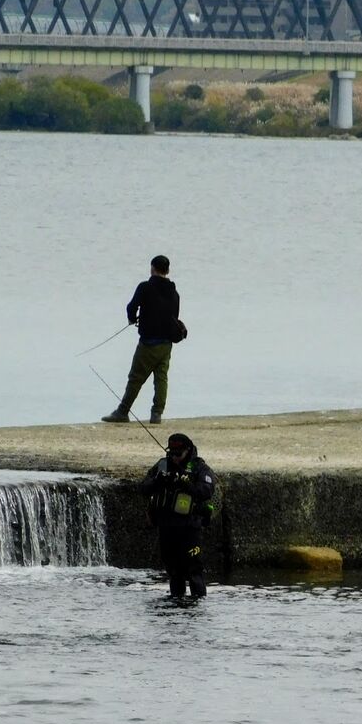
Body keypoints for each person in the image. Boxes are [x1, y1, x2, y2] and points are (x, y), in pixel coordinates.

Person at [102, 255, 181, 425]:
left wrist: (132, 318)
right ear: (167, 271)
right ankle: (156, 414)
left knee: (136, 378)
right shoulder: (174, 293)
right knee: (161, 378)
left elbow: (131, 307)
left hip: (148, 343)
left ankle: (122, 412)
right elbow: (174, 317)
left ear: (152, 268)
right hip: (166, 344)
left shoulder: (145, 287)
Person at [141, 432, 217, 597]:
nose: (174, 458)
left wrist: (187, 484)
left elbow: (207, 490)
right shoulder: (162, 466)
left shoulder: (199, 468)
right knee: (174, 572)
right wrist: (157, 481)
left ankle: (196, 603)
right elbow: (143, 487)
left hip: (190, 528)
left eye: (178, 454)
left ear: (187, 450)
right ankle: (175, 604)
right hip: (166, 526)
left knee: (193, 571)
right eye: (171, 454)